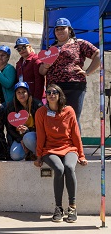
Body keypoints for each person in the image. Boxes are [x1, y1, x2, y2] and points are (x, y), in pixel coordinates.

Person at [34, 84, 88, 223]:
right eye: (49, 92)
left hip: (69, 147)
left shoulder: (69, 110)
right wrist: (39, 156)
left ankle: (72, 207)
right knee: (59, 169)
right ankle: (58, 207)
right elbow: (40, 136)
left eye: (55, 92)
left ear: (60, 95)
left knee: (69, 167)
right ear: (46, 95)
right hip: (50, 149)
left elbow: (76, 135)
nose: (51, 94)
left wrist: (81, 155)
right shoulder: (41, 112)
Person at [39, 17, 100, 126]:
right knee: (55, 117)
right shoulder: (50, 48)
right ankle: (58, 142)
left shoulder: (79, 43)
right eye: (57, 29)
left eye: (63, 28)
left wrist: (88, 71)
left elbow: (98, 55)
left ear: (70, 30)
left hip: (74, 86)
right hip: (54, 88)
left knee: (73, 118)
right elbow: (41, 71)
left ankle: (75, 143)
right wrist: (46, 66)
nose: (60, 31)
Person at [6, 82, 42, 161]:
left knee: (28, 137)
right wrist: (20, 139)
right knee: (16, 155)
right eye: (18, 92)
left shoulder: (37, 105)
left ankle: (36, 154)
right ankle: (27, 153)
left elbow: (41, 126)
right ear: (15, 94)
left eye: (23, 92)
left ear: (28, 93)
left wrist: (28, 130)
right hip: (18, 136)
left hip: (33, 136)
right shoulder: (11, 106)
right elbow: (9, 128)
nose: (21, 95)